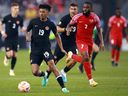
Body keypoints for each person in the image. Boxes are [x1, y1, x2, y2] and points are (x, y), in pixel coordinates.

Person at [25, 4, 69, 93]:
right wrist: (28, 37)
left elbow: (57, 36)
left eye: (43, 12)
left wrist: (61, 48)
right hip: (35, 51)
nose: (41, 13)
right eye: (40, 11)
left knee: (52, 66)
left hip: (46, 50)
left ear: (47, 13)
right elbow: (27, 30)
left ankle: (63, 87)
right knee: (35, 72)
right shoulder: (33, 21)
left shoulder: (51, 24)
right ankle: (44, 74)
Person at [66, 2, 104, 87]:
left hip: (90, 42)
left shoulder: (95, 17)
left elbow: (98, 30)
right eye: (83, 7)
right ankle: (72, 56)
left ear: (90, 8)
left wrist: (102, 42)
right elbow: (69, 24)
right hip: (80, 41)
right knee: (86, 57)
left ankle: (91, 81)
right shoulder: (78, 16)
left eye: (87, 8)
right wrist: (68, 30)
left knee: (87, 61)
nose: (84, 9)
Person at [43, 3, 78, 84]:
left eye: (75, 9)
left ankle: (64, 72)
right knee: (54, 61)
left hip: (72, 44)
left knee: (75, 59)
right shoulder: (65, 19)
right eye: (72, 9)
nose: (73, 11)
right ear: (69, 9)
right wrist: (65, 29)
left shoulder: (80, 19)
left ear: (77, 10)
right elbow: (57, 29)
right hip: (62, 43)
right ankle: (46, 75)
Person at [0, 3, 25, 76]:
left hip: (15, 38)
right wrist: (2, 32)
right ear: (11, 9)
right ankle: (6, 57)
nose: (17, 10)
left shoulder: (20, 18)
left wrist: (23, 29)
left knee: (14, 55)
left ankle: (11, 70)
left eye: (17, 8)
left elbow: (21, 27)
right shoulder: (7, 17)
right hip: (8, 38)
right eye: (15, 8)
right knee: (10, 54)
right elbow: (0, 23)